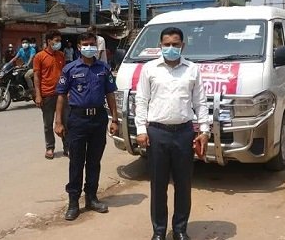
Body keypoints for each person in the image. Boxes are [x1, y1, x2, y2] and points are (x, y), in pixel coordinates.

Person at [134, 27, 210, 240]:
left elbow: (200, 102)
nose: (170, 48)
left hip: (184, 133)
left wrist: (204, 130)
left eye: (175, 44)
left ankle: (180, 229)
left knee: (183, 185)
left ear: (182, 46)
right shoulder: (149, 69)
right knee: (158, 186)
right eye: (166, 44)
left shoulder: (192, 70)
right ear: (160, 46)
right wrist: (141, 130)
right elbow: (141, 100)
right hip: (157, 133)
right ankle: (159, 231)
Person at [54, 32, 118, 221]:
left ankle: (91, 198)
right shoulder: (70, 69)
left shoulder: (104, 69)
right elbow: (60, 97)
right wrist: (58, 122)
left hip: (98, 119)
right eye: (85, 44)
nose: (89, 47)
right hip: (77, 120)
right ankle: (73, 202)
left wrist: (114, 119)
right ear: (79, 47)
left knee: (94, 161)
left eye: (92, 44)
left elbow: (110, 95)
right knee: (76, 162)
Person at [34, 30, 69, 159]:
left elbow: (65, 74)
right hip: (47, 95)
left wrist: (68, 91)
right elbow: (37, 77)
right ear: (49, 41)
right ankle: (50, 147)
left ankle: (68, 147)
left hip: (62, 94)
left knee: (65, 122)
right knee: (48, 124)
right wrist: (38, 95)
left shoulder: (61, 55)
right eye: (56, 41)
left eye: (60, 41)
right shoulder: (39, 56)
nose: (59, 43)